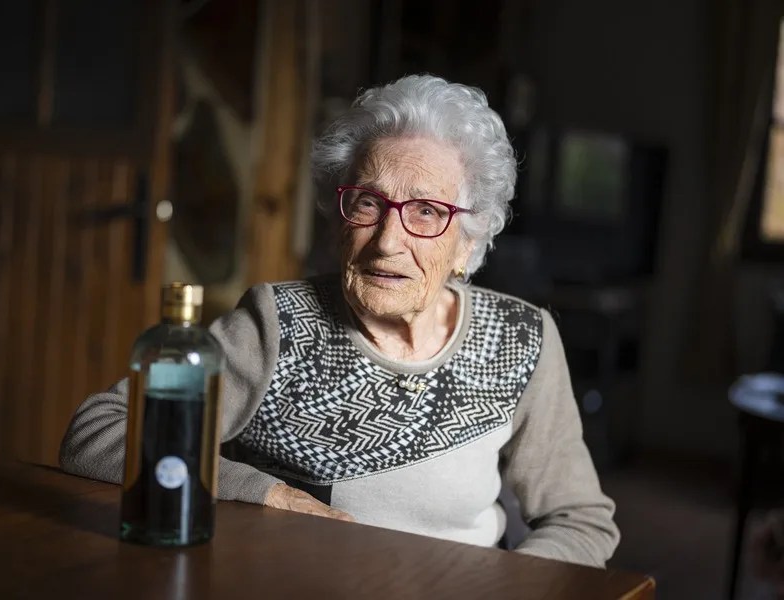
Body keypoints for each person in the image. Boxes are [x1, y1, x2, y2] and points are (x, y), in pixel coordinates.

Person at [60, 74, 620, 567]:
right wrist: (258, 491)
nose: (388, 242)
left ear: (468, 244)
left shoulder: (521, 340)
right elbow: (99, 433)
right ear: (338, 217)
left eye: (427, 212)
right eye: (369, 203)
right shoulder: (278, 324)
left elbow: (581, 522)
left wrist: (506, 592)